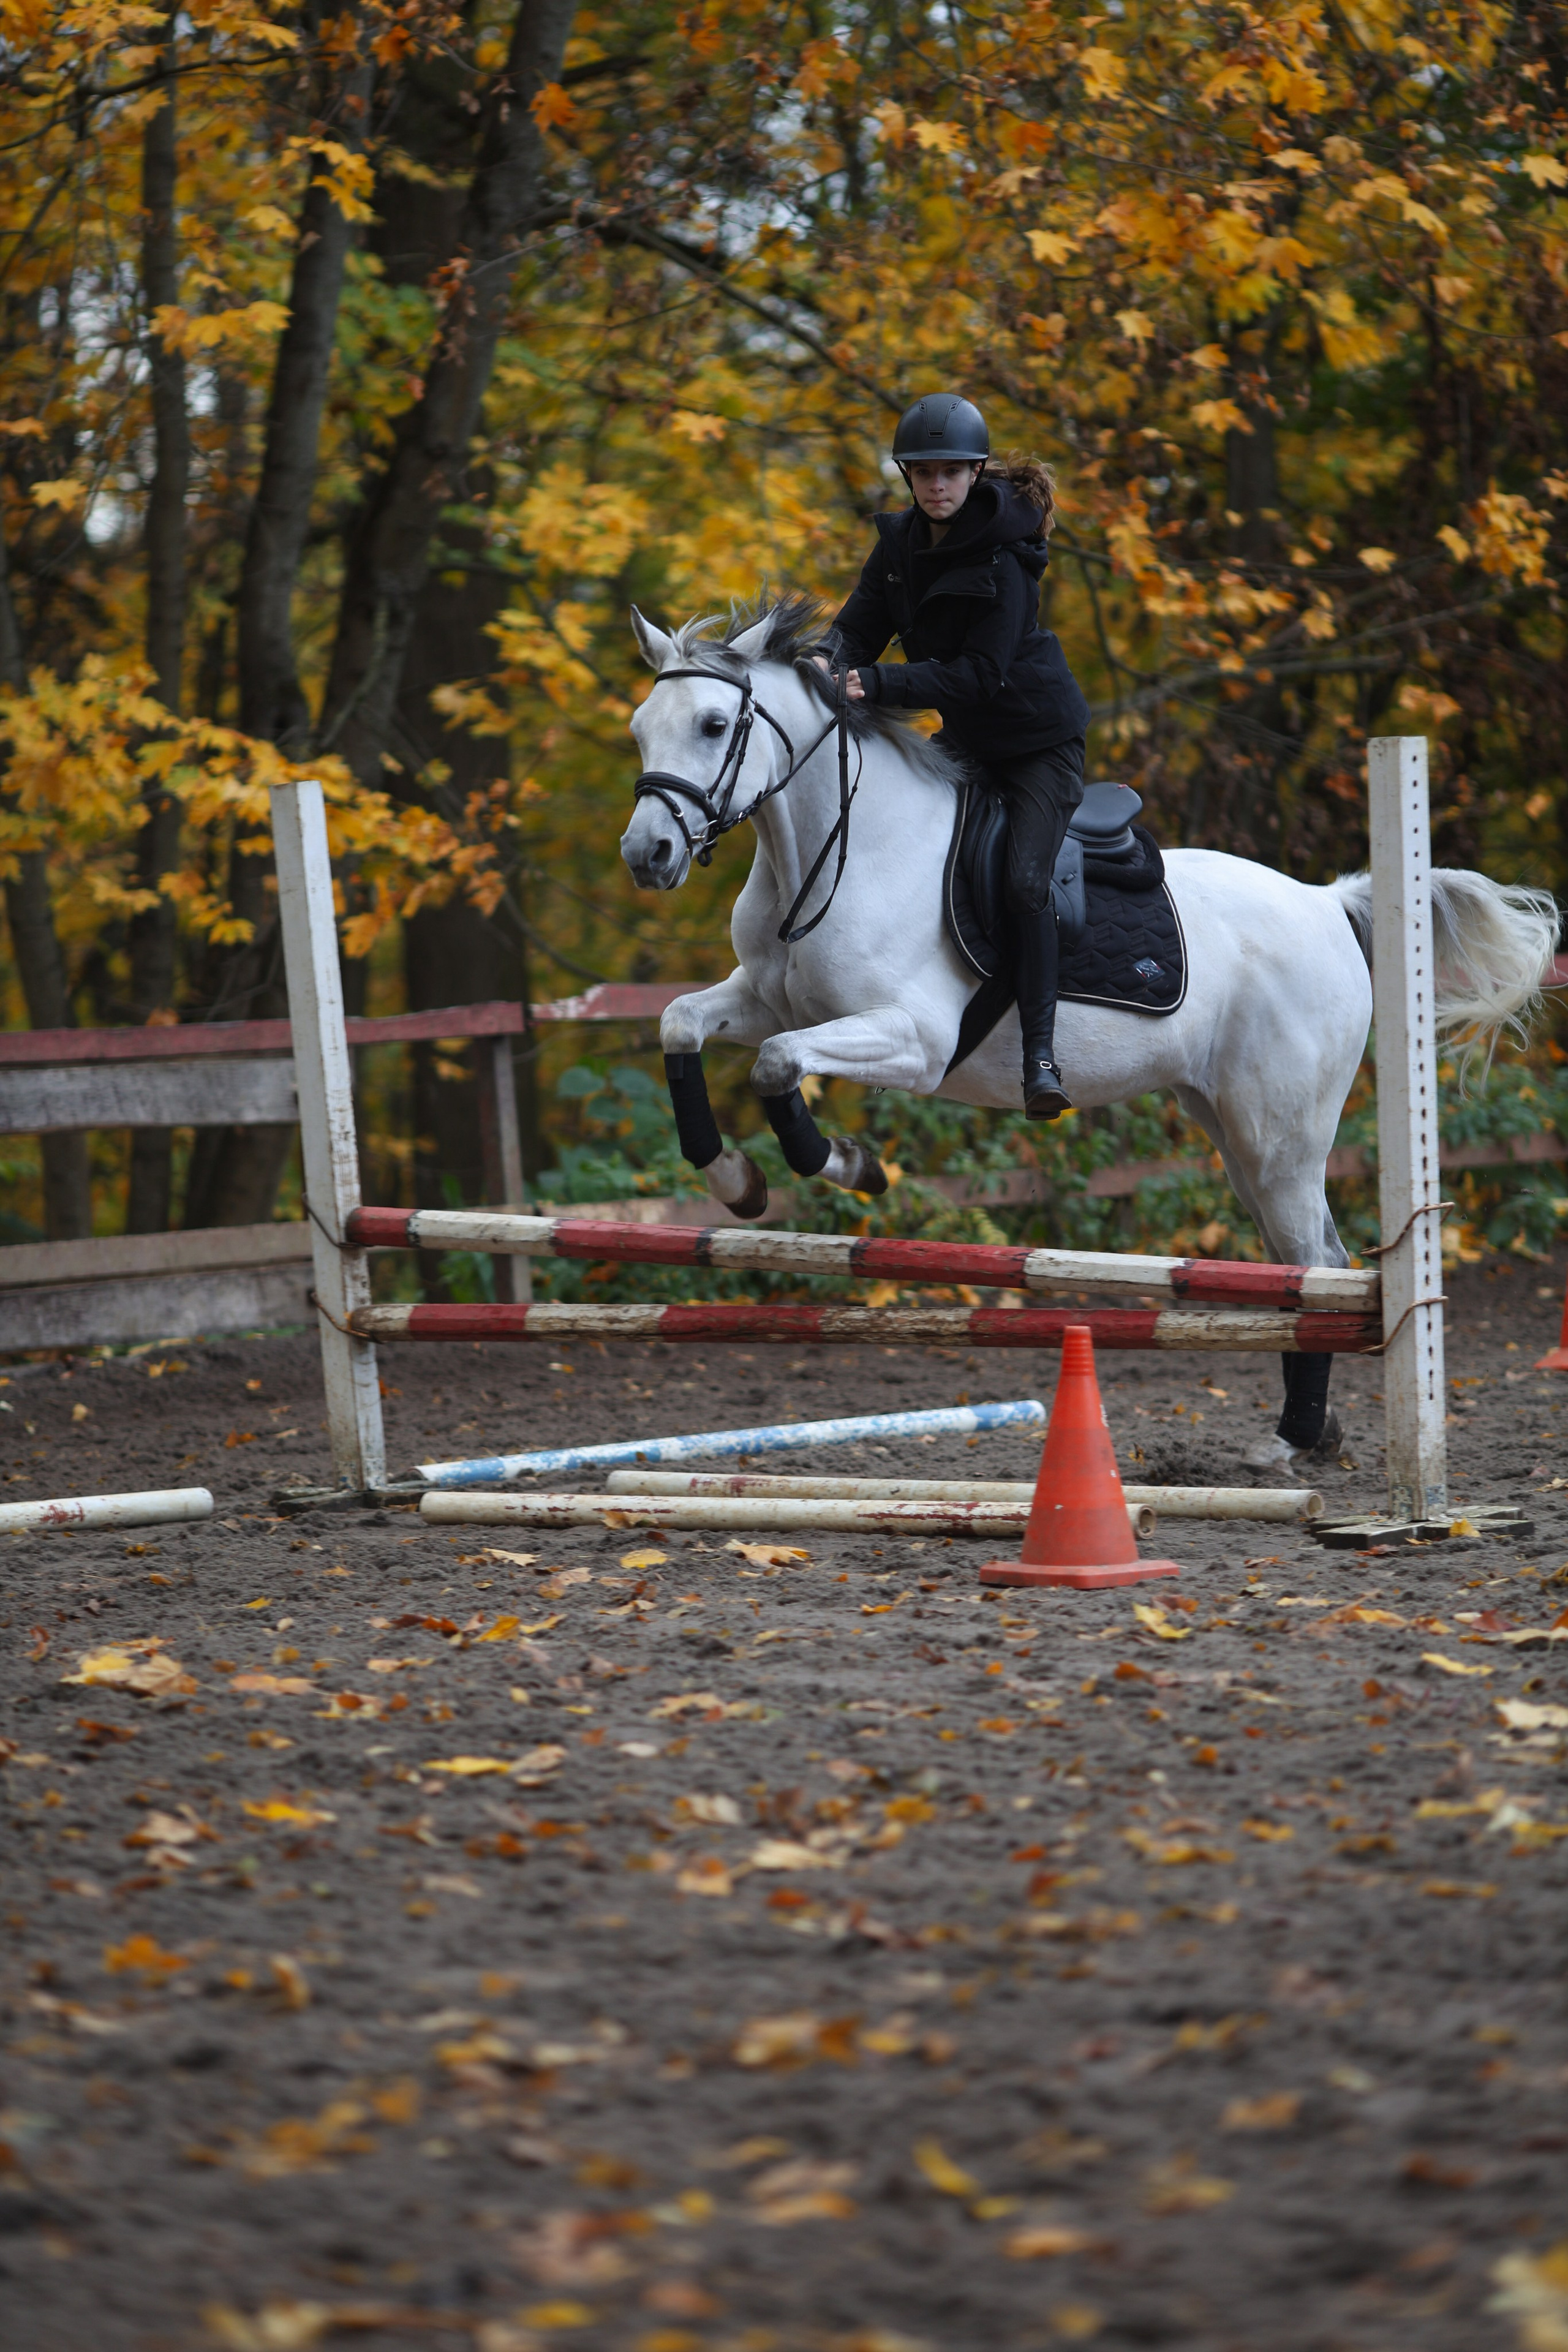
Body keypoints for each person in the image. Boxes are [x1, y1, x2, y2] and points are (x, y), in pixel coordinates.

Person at [826, 391, 1090, 1118]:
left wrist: (874, 683)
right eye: (922, 473)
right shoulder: (898, 546)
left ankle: (1039, 1053)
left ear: (975, 473)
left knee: (1025, 882)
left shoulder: (1007, 558)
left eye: (950, 472)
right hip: (970, 740)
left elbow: (980, 673)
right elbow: (856, 629)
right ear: (907, 477)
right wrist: (822, 666)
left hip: (1038, 745)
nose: (936, 485)